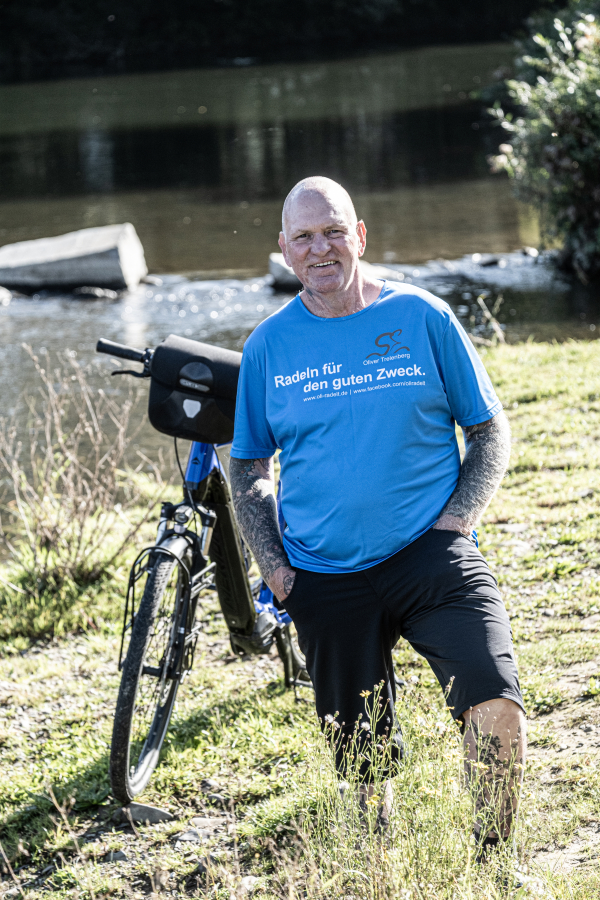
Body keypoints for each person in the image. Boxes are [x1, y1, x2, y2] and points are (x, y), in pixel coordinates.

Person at [229, 176, 526, 858]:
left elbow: (489, 429)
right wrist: (275, 569)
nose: (320, 249)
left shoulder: (422, 316)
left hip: (429, 553)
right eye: (304, 237)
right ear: (284, 250)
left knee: (496, 705)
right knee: (362, 762)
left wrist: (456, 521)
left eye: (334, 231)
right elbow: (247, 467)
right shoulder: (269, 346)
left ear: (360, 236)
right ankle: (378, 866)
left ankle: (492, 861)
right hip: (323, 574)